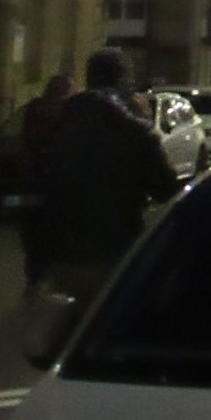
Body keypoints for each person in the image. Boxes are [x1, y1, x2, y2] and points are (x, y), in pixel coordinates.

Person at [38, 48, 181, 303]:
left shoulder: (58, 122)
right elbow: (166, 189)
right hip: (113, 252)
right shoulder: (134, 131)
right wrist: (144, 121)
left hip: (60, 253)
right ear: (122, 82)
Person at [17, 72, 72, 294]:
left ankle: (34, 277)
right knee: (54, 232)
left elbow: (26, 143)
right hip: (53, 186)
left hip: (31, 184)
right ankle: (48, 277)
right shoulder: (66, 113)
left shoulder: (33, 109)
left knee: (31, 233)